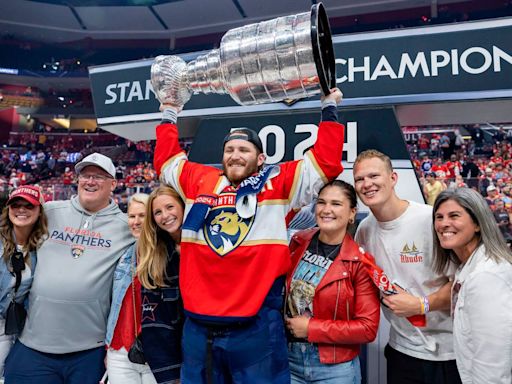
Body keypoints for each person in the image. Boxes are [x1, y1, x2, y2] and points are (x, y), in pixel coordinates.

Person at [153, 88, 345, 383]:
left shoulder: (277, 183)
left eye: (244, 150)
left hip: (255, 328)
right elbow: (167, 161)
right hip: (198, 328)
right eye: (229, 150)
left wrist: (329, 108)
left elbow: (324, 164)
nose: (235, 155)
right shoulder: (200, 180)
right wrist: (168, 111)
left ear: (260, 158)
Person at [4, 152, 134, 384]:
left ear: (114, 183)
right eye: (85, 175)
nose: (90, 181)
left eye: (98, 176)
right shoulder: (50, 211)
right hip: (33, 342)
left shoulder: (126, 226)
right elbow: (14, 227)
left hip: (89, 349)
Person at [353, 149, 460, 384]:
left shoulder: (430, 219)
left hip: (450, 352)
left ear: (393, 178)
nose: (366, 184)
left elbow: (463, 283)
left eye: (374, 176)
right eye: (359, 179)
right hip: (402, 350)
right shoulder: (364, 231)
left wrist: (421, 304)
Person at [285, 180, 380, 384]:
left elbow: (367, 328)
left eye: (336, 204)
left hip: (335, 369)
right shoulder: (298, 242)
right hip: (288, 360)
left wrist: (312, 328)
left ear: (352, 213)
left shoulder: (360, 262)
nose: (327, 210)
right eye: (321, 202)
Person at [432, 188, 512, 383]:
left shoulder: (486, 276)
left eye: (454, 216)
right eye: (439, 217)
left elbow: (492, 364)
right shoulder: (467, 266)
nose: (444, 224)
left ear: (477, 223)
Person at [105, 193, 157, 384]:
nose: (136, 222)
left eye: (142, 216)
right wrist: (108, 346)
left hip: (157, 349)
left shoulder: (168, 255)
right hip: (119, 348)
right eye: (131, 216)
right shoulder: (124, 255)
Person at [138, 186, 184, 384]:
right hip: (178, 363)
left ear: (183, 206)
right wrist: (170, 376)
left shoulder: (210, 245)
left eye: (170, 207)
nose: (165, 216)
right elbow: (155, 327)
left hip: (219, 355)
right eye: (158, 212)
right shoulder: (155, 260)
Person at [0, 186, 47, 375]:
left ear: (39, 211)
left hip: (15, 326)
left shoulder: (43, 246)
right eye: (16, 205)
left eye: (29, 206)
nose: (21, 210)